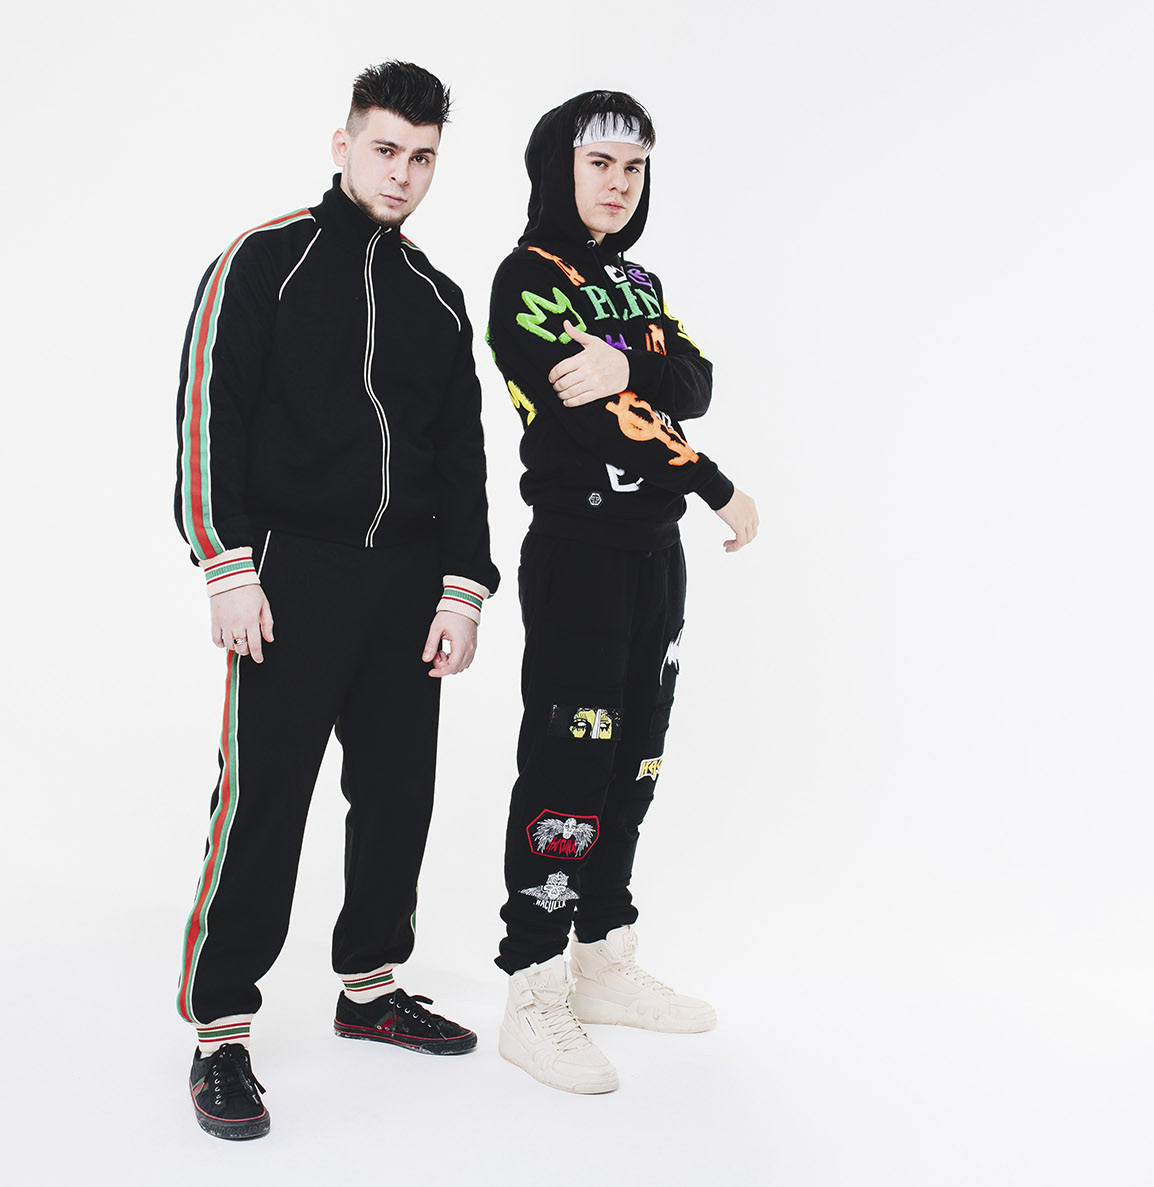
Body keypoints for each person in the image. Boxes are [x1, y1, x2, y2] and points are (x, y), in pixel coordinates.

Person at [172, 60, 499, 1140]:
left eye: (422, 157)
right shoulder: (264, 260)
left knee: (398, 794)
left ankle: (369, 986)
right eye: (385, 149)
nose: (402, 173)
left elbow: (462, 458)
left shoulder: (438, 298)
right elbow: (209, 410)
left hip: (407, 585)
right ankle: (221, 1029)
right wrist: (226, 563)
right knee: (263, 800)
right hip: (289, 573)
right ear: (343, 144)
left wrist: (463, 589)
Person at [486, 90, 759, 1094]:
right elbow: (596, 416)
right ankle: (532, 981)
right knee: (571, 757)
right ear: (558, 167)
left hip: (655, 553)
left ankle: (602, 953)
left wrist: (629, 358)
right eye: (599, 162)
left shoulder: (638, 282)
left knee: (636, 753)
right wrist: (715, 482)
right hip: (581, 552)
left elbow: (695, 379)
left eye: (633, 167)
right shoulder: (526, 277)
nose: (618, 183)